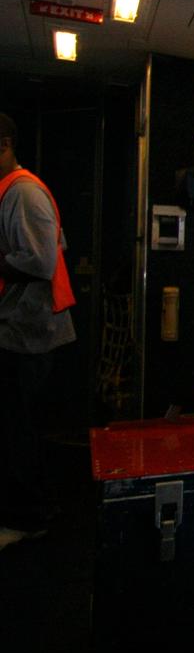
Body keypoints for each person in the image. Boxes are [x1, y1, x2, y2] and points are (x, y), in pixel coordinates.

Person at [0, 112, 76, 550]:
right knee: (21, 425)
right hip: (19, 328)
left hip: (28, 331)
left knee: (17, 427)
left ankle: (24, 518)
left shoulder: (24, 194)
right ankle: (36, 506)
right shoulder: (11, 191)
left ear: (5, 143)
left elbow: (42, 260)